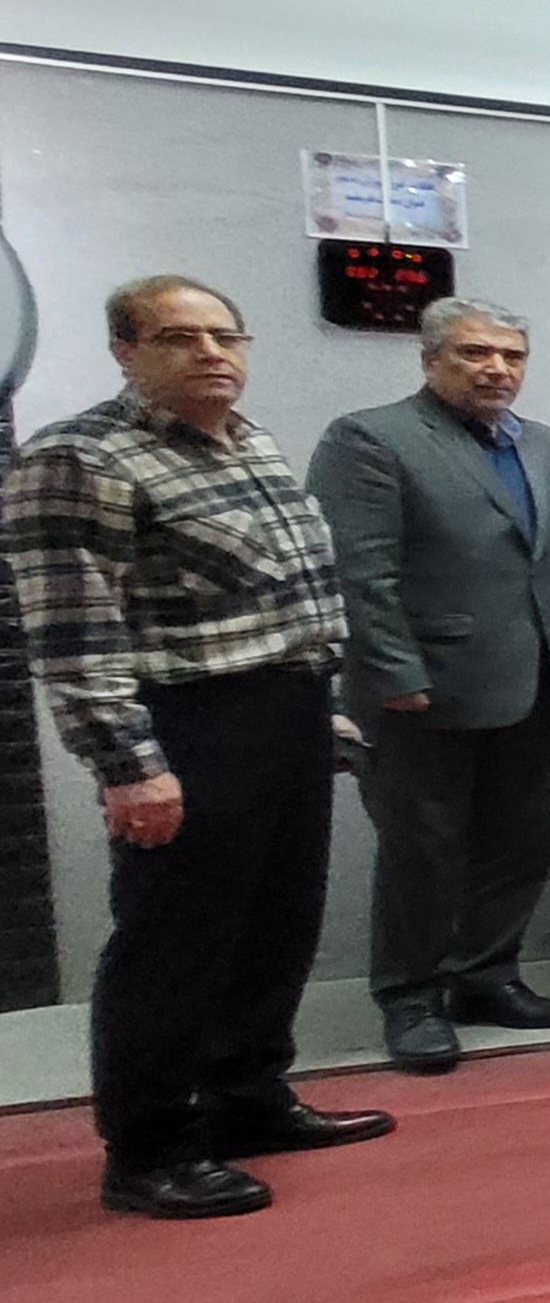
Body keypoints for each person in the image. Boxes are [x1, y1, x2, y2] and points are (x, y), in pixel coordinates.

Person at [1, 275, 391, 1219]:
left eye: (226, 335)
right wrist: (127, 766)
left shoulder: (249, 443)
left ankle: (246, 1100)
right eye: (181, 337)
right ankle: (149, 1149)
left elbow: (285, 596)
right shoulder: (79, 458)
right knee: (173, 942)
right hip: (188, 723)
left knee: (275, 925)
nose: (213, 353)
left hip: (285, 710)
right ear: (126, 351)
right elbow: (75, 635)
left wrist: (317, 706)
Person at [309, 297, 550, 1074]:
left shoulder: (540, 443)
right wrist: (390, 671)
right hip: (422, 689)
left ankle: (487, 975)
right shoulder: (372, 438)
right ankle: (412, 998)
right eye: (475, 353)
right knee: (423, 851)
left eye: (511, 355)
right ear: (431, 359)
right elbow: (358, 571)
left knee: (518, 842)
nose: (497, 369)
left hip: (529, 677)